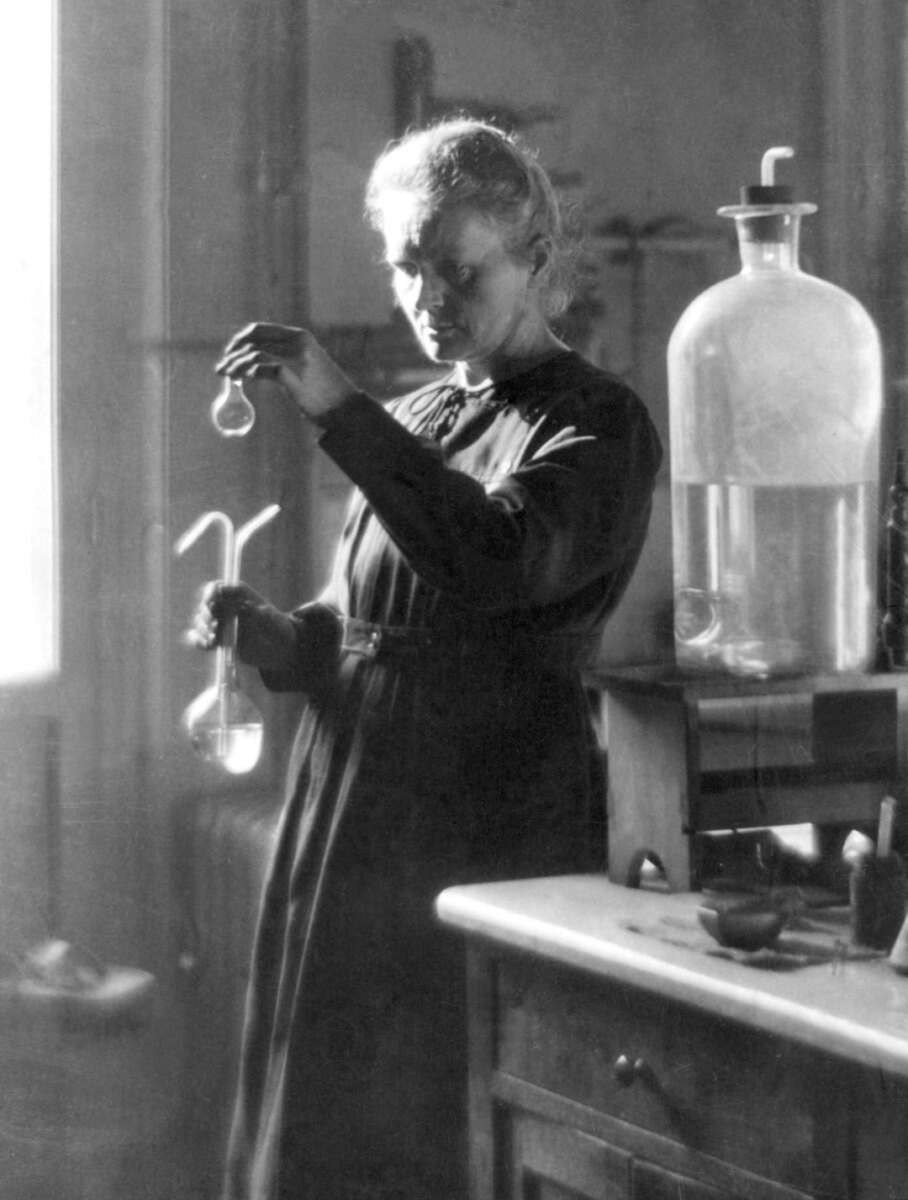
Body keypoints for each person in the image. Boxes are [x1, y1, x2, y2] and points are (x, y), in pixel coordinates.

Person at [190, 117, 662, 1200]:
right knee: (323, 1118)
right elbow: (357, 627)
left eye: (459, 270)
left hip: (475, 824)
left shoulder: (596, 423)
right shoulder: (416, 417)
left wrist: (336, 405)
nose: (429, 298)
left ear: (533, 257)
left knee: (429, 1124)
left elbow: (491, 562)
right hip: (349, 822)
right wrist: (273, 636)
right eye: (408, 267)